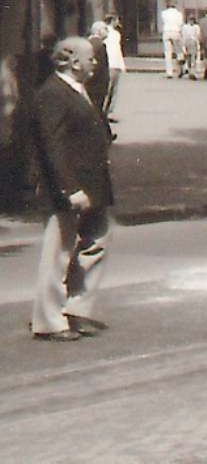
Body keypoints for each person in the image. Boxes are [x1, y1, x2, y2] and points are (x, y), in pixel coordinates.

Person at [29, 37, 114, 342]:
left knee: (96, 242)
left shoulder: (79, 90)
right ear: (74, 62)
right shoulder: (52, 94)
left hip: (94, 185)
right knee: (59, 254)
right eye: (90, 58)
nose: (95, 63)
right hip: (67, 189)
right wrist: (71, 188)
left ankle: (77, 310)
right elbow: (53, 147)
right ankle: (49, 320)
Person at [102, 15, 126, 112]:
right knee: (109, 89)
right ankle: (104, 111)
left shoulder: (116, 34)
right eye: (116, 20)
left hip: (114, 63)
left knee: (112, 90)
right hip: (111, 63)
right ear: (112, 21)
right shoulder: (105, 32)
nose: (117, 22)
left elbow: (117, 50)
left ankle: (108, 111)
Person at [160, 2, 185, 78]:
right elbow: (180, 24)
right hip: (176, 31)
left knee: (168, 53)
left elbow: (163, 21)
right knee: (178, 52)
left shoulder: (163, 13)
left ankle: (169, 72)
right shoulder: (179, 14)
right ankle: (180, 69)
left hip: (167, 32)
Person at [180, 13, 203, 81]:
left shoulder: (196, 27)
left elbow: (198, 36)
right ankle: (190, 70)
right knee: (189, 57)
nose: (191, 21)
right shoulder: (185, 27)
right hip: (188, 42)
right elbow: (184, 36)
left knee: (193, 57)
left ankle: (191, 71)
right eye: (190, 19)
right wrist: (183, 45)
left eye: (192, 20)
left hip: (193, 42)